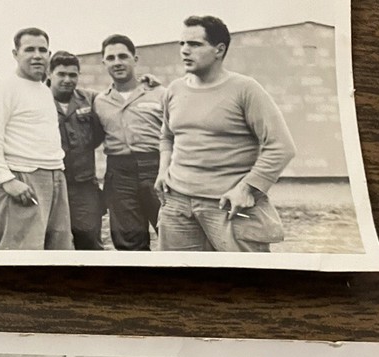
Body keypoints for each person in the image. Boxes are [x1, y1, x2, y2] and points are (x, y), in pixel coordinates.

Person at [155, 15, 296, 253]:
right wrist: (162, 171)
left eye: (195, 44)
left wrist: (247, 188)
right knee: (180, 281)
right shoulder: (175, 89)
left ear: (219, 50)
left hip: (227, 206)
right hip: (176, 203)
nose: (184, 51)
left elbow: (281, 146)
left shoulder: (245, 89)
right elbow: (167, 136)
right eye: (182, 44)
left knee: (244, 280)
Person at [0, 28, 74, 250]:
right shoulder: (1, 88)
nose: (37, 55)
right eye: (29, 49)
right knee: (20, 252)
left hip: (55, 175)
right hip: (22, 177)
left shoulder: (45, 90)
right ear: (15, 53)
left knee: (58, 250)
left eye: (42, 50)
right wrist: (7, 180)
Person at [93, 35, 167, 251]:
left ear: (135, 59)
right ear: (104, 62)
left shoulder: (160, 93)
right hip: (119, 173)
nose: (117, 62)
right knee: (128, 240)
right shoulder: (99, 100)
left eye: (123, 56)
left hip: (156, 168)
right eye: (111, 57)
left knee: (172, 232)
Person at [48, 52, 105, 250]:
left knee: (89, 239)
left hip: (84, 185)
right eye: (61, 74)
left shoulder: (90, 99)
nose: (67, 80)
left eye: (73, 75)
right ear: (49, 74)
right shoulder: (38, 100)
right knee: (52, 241)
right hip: (51, 184)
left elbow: (98, 135)